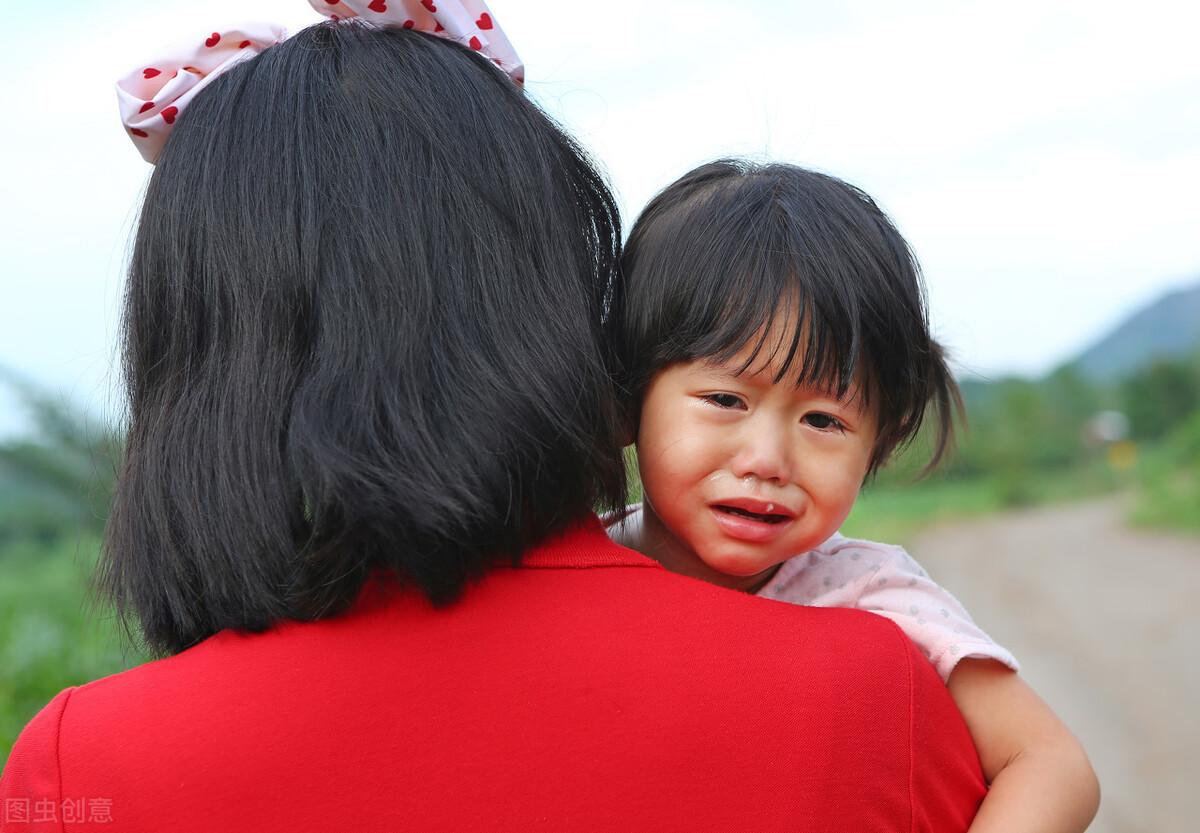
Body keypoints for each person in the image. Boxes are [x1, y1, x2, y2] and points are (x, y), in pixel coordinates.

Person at [1, 9, 987, 832]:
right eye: (729, 397)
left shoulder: (82, 769)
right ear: (568, 305)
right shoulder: (872, 691)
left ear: (196, 340)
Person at [608, 159, 1101, 833]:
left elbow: (1052, 763)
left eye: (824, 420)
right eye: (726, 399)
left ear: (882, 437)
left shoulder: (868, 588)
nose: (767, 460)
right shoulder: (575, 554)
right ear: (629, 395)